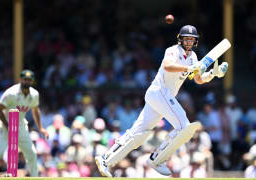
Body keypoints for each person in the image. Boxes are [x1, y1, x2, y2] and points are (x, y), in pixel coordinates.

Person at [95, 25, 228, 177]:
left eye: (192, 39)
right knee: (184, 126)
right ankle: (156, 159)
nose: (189, 42)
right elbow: (167, 66)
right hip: (160, 92)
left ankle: (106, 159)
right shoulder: (172, 50)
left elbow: (198, 79)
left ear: (195, 41)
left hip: (163, 97)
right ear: (180, 39)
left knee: (138, 135)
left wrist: (212, 73)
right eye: (186, 39)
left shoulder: (193, 57)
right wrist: (189, 68)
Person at [0, 69, 49, 176]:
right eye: (25, 79)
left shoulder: (34, 94)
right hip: (5, 125)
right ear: (20, 79)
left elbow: (35, 110)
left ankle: (34, 177)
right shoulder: (11, 93)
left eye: (29, 80)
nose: (27, 82)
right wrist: (7, 125)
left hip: (20, 125)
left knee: (32, 153)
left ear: (32, 81)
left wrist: (40, 128)